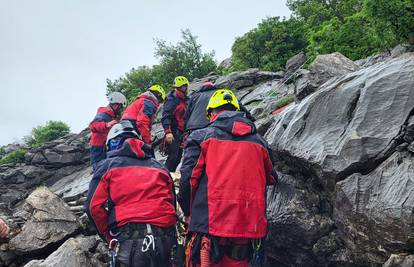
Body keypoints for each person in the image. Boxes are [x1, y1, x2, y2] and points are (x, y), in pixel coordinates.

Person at [178, 89, 277, 267]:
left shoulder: (201, 137)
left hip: (208, 227)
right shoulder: (259, 142)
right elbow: (271, 178)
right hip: (248, 229)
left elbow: (188, 180)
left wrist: (187, 212)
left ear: (212, 114)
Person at [85, 121, 177, 267]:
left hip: (129, 242)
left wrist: (108, 235)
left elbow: (93, 207)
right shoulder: (160, 167)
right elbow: (172, 202)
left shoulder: (108, 166)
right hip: (166, 240)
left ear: (112, 144)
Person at [184, 81, 255, 135]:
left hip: (193, 129)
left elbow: (186, 115)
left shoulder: (195, 96)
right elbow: (238, 106)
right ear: (213, 86)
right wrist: (250, 118)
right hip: (213, 127)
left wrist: (184, 130)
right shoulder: (219, 94)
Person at [89, 92, 127, 171]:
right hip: (98, 147)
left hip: (104, 145)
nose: (120, 110)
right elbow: (93, 126)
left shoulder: (111, 115)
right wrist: (106, 125)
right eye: (120, 107)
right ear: (116, 105)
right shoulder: (103, 114)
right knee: (99, 169)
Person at [161, 76, 189, 172]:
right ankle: (165, 176)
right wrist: (168, 132)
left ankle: (170, 177)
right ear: (183, 87)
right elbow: (166, 116)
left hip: (181, 133)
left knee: (178, 157)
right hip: (174, 132)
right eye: (185, 87)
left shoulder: (185, 100)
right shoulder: (171, 99)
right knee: (173, 156)